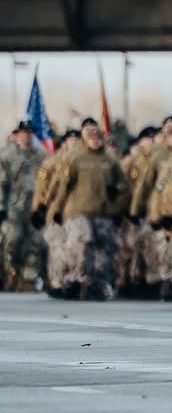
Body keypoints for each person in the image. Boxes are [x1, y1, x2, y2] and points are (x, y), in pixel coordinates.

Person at [47, 120, 126, 301]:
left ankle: (98, 285)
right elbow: (64, 186)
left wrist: (117, 192)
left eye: (98, 138)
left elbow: (124, 184)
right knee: (81, 247)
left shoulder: (110, 160)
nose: (95, 141)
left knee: (103, 251)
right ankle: (77, 281)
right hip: (78, 211)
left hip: (103, 211)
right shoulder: (76, 159)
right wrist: (57, 210)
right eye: (91, 138)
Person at [0, 122, 50, 292]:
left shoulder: (42, 155)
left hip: (35, 206)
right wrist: (1, 207)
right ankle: (12, 274)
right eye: (23, 132)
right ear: (16, 135)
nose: (26, 135)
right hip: (14, 206)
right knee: (12, 241)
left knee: (34, 242)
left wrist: (46, 206)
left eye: (29, 132)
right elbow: (1, 183)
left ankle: (28, 279)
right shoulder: (6, 156)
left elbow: (49, 182)